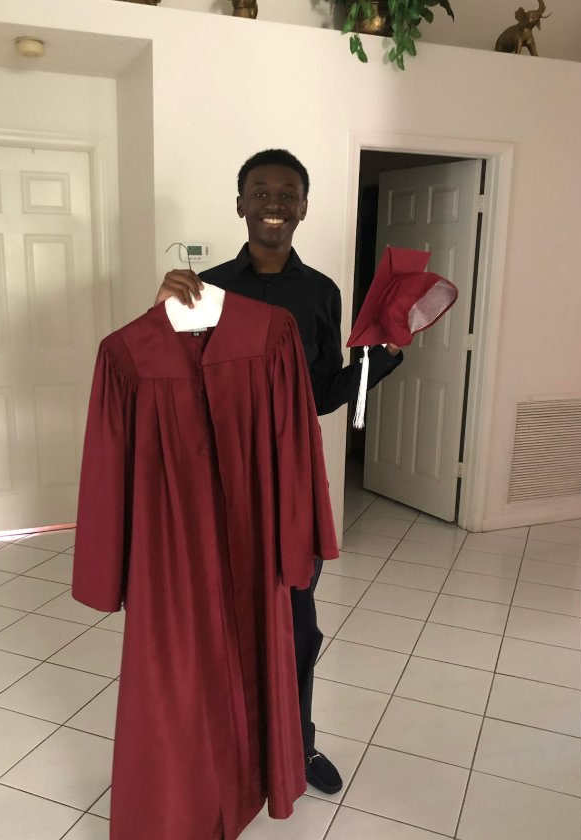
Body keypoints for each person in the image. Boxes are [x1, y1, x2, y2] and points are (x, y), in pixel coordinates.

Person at [154, 149, 403, 795]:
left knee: (296, 623)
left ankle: (298, 745)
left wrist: (385, 360)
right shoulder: (203, 288)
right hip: (219, 484)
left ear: (302, 208)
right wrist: (164, 313)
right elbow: (173, 386)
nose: (274, 201)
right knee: (220, 621)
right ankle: (224, 746)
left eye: (287, 192)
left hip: (291, 482)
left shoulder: (320, 292)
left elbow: (321, 394)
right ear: (240, 204)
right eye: (260, 190)